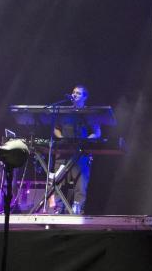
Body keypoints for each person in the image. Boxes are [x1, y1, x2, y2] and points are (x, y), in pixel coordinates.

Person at [52, 85, 101, 214]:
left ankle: (78, 210)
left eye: (78, 93)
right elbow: (56, 129)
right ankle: (58, 208)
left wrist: (86, 141)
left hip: (81, 152)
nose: (74, 94)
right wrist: (62, 138)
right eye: (73, 92)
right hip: (63, 151)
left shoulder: (89, 113)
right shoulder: (64, 111)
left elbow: (97, 132)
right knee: (58, 180)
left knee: (81, 183)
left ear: (85, 98)